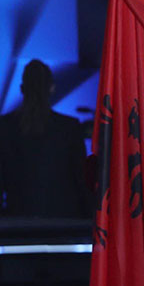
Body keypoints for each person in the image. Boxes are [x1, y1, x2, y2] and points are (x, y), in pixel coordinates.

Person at [0, 59, 90, 218]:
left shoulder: (5, 127)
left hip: (17, 221)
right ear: (52, 88)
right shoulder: (69, 127)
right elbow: (81, 181)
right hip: (64, 222)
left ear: (22, 89)